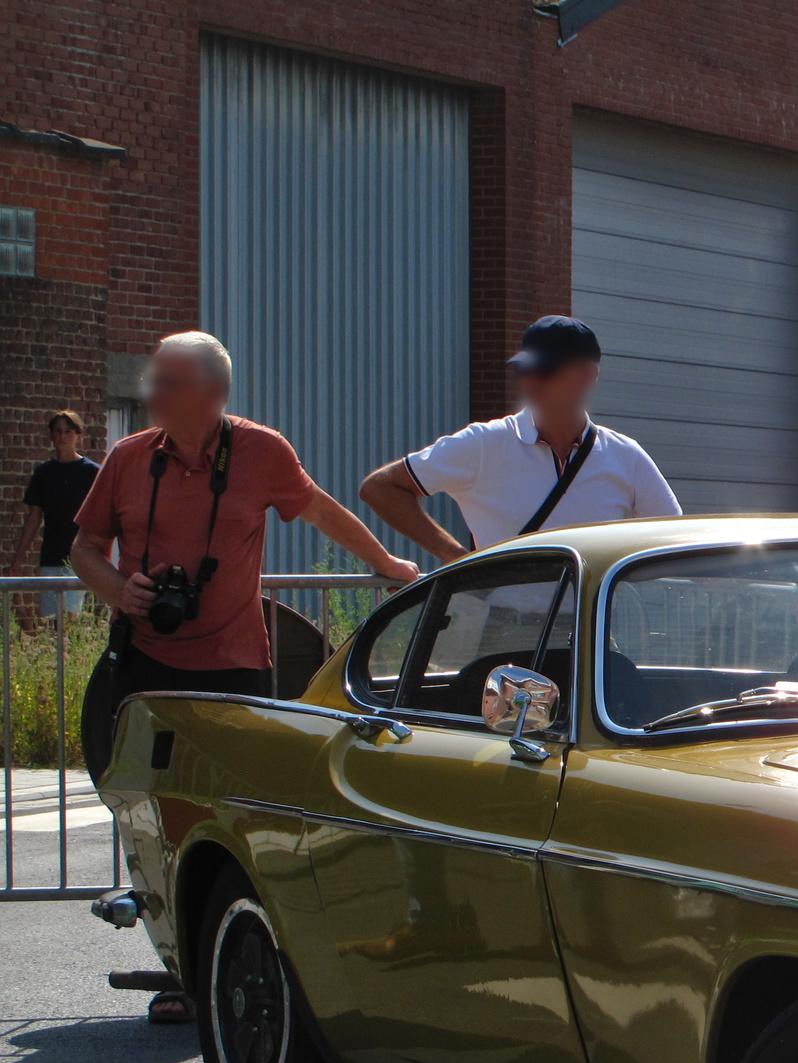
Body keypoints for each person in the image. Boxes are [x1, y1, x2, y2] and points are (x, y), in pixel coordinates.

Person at [70, 332, 420, 1025]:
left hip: (235, 662)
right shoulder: (128, 458)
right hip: (148, 665)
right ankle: (178, 968)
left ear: (211, 393)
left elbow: (321, 510)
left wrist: (389, 565)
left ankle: (240, 959)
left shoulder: (262, 451)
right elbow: (83, 548)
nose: (152, 393)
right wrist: (119, 590)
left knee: (235, 822)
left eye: (167, 381)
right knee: (156, 821)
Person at [358, 315, 680, 563]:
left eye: (547, 370)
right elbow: (380, 487)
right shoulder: (484, 444)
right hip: (506, 636)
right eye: (525, 369)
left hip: (589, 634)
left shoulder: (626, 457)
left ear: (588, 374)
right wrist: (457, 559)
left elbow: (677, 541)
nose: (532, 380)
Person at [11, 411, 98, 619]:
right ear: (51, 435)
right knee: (50, 620)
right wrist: (18, 558)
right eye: (58, 431)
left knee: (69, 618)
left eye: (68, 431)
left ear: (79, 436)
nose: (62, 436)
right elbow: (34, 517)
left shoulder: (91, 473)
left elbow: (101, 516)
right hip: (51, 555)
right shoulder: (44, 473)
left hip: (78, 556)